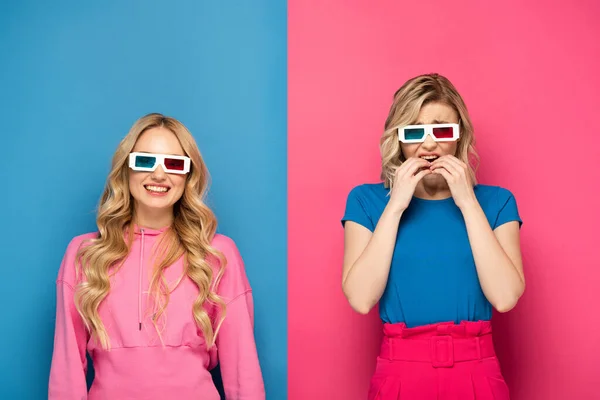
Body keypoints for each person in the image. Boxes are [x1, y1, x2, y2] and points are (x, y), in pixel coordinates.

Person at [49, 113, 265, 400]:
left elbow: (242, 366)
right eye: (145, 160)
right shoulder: (84, 254)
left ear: (188, 175)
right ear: (126, 170)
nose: (159, 174)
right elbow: (67, 368)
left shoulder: (217, 253)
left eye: (174, 164)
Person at [341, 74, 524, 400]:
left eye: (441, 130)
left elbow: (506, 296)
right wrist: (396, 204)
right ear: (397, 138)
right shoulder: (366, 201)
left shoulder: (497, 202)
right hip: (400, 370)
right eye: (413, 131)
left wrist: (467, 201)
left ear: (459, 135)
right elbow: (360, 298)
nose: (429, 144)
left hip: (477, 370)